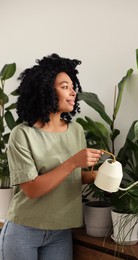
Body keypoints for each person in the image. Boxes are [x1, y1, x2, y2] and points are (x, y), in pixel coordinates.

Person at [0, 53, 103, 260]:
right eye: (65, 87)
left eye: (73, 86)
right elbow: (32, 189)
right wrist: (74, 161)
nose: (73, 92)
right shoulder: (22, 134)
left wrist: (95, 176)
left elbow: (69, 179)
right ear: (45, 90)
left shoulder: (76, 131)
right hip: (23, 230)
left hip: (60, 231)